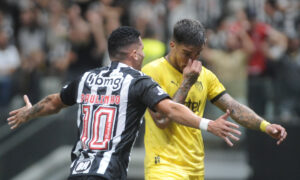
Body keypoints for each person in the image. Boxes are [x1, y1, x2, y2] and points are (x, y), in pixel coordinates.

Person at [7, 26, 241, 180]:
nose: (142, 54)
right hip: (107, 173)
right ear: (135, 54)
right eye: (141, 50)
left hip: (77, 172)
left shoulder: (86, 78)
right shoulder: (139, 82)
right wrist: (208, 125)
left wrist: (30, 113)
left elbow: (52, 102)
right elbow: (169, 109)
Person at [142, 19, 287, 180]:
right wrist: (187, 83)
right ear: (172, 45)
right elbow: (162, 120)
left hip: (195, 168)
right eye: (187, 53)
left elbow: (233, 107)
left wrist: (265, 126)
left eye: (198, 54)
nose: (192, 60)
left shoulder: (205, 75)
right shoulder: (151, 72)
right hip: (163, 166)